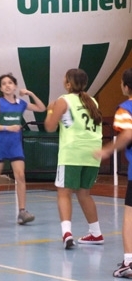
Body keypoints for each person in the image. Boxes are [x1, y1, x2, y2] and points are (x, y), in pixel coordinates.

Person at [44, 68, 104, 250]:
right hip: (93, 152)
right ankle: (96, 233)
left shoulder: (63, 101)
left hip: (72, 152)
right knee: (84, 193)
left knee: (64, 192)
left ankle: (67, 233)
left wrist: (49, 110)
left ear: (68, 83)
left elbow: (49, 127)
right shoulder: (92, 101)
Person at [0, 73, 46, 225]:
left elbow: (41, 107)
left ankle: (22, 212)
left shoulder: (21, 103)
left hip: (15, 145)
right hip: (0, 143)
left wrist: (30, 93)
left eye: (10, 83)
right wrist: (7, 127)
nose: (7, 85)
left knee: (20, 175)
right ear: (0, 88)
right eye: (4, 84)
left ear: (15, 86)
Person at [94, 68, 132, 277]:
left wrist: (106, 150)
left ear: (125, 86)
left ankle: (129, 262)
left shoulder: (125, 109)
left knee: (130, 215)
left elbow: (127, 134)